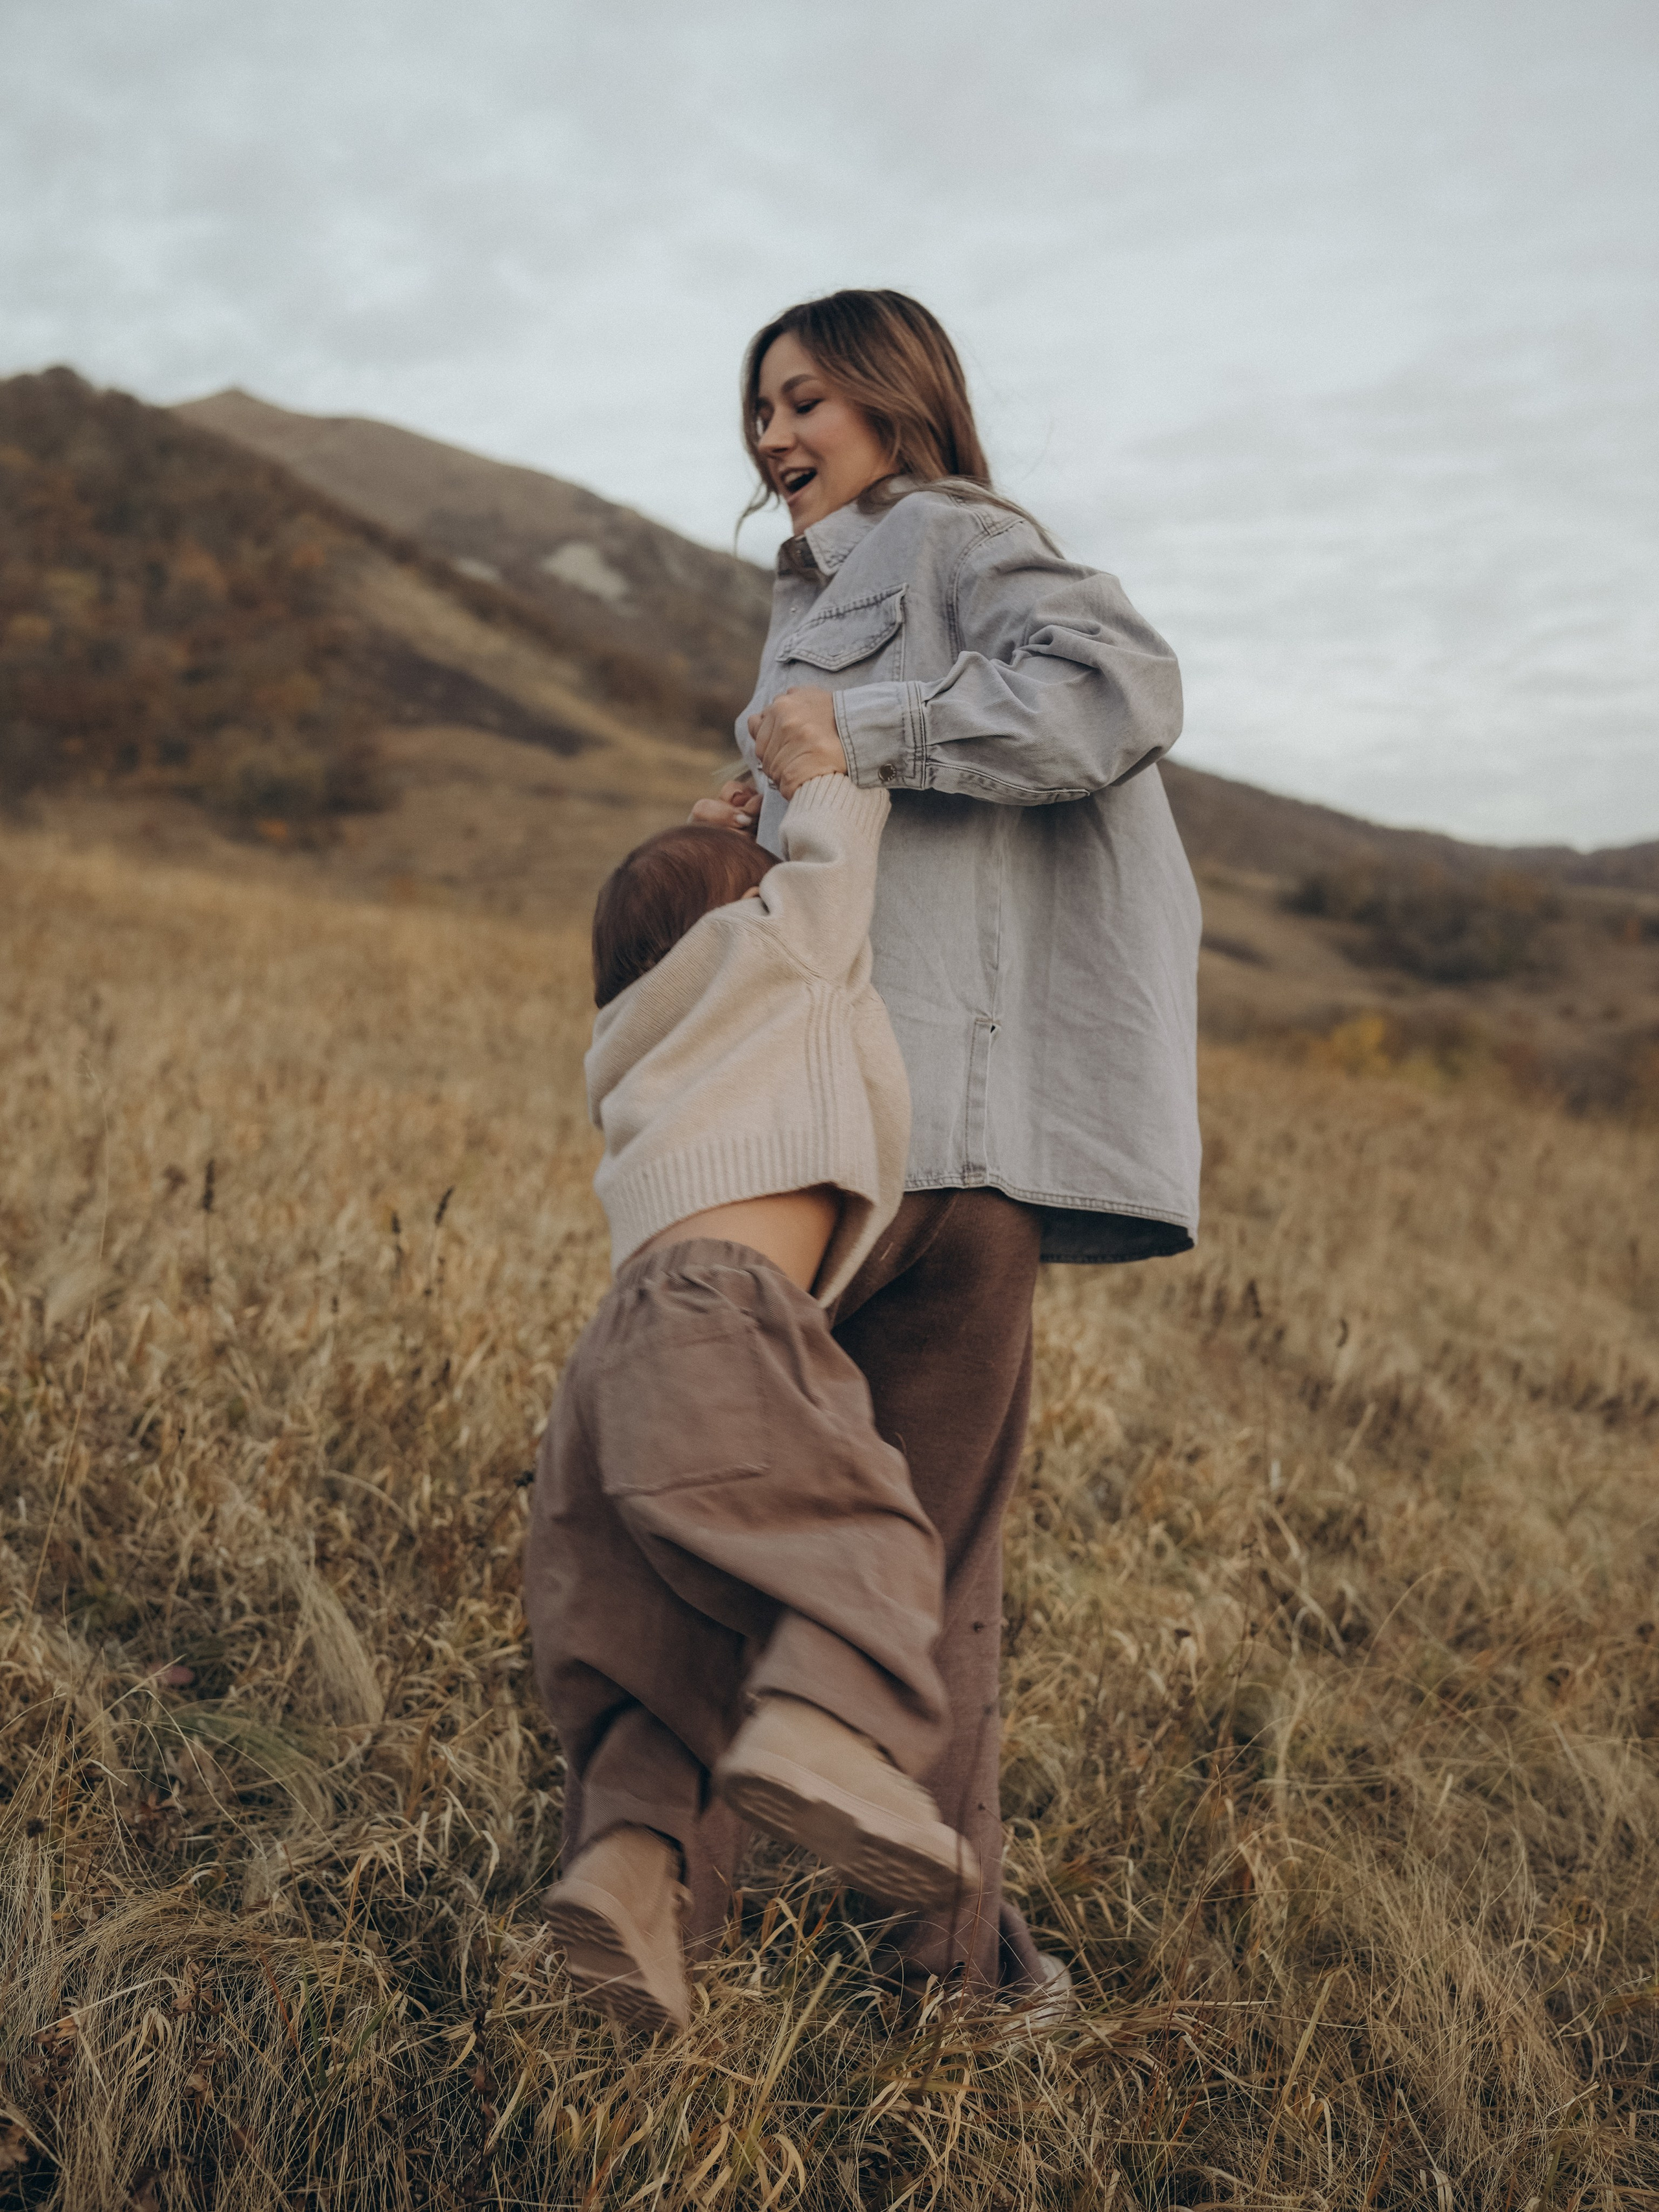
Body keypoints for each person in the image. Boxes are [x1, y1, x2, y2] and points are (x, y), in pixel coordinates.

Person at [691, 289, 1200, 1999]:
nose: (774, 432)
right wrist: (752, 813)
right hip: (836, 1125)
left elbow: (1120, 682)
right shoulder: (816, 597)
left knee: (821, 1528)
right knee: (868, 1541)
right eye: (760, 402)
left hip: (940, 1154)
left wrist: (868, 731)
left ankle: (928, 1960)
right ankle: (921, 1948)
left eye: (808, 396)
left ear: (898, 402)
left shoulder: (950, 536)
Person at [524, 778, 982, 2036]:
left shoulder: (636, 1029)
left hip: (609, 1366)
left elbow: (696, 912)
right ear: (748, 912)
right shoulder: (778, 951)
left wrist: (707, 845)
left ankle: (621, 1875)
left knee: (658, 1661)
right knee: (867, 1542)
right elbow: (832, 865)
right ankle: (820, 1735)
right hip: (722, 1315)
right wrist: (810, 775)